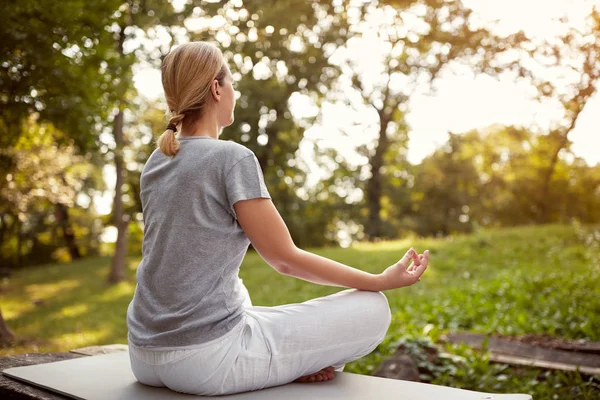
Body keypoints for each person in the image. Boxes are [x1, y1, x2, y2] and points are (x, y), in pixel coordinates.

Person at [126, 41, 429, 396]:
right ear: (216, 88)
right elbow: (285, 260)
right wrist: (378, 280)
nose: (234, 93)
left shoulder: (156, 162)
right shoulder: (231, 159)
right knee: (372, 308)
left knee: (246, 300)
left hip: (143, 355)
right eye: (232, 83)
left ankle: (292, 360)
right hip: (207, 362)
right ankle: (297, 360)